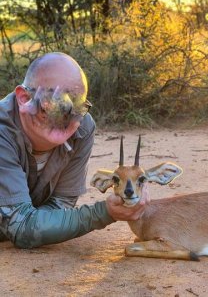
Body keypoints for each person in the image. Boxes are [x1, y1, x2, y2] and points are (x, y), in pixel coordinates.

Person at [0, 52, 150, 248]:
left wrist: (37, 222)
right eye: (54, 103)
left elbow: (60, 205)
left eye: (76, 105)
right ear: (24, 97)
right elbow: (22, 227)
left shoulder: (83, 127)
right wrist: (103, 212)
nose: (66, 116)